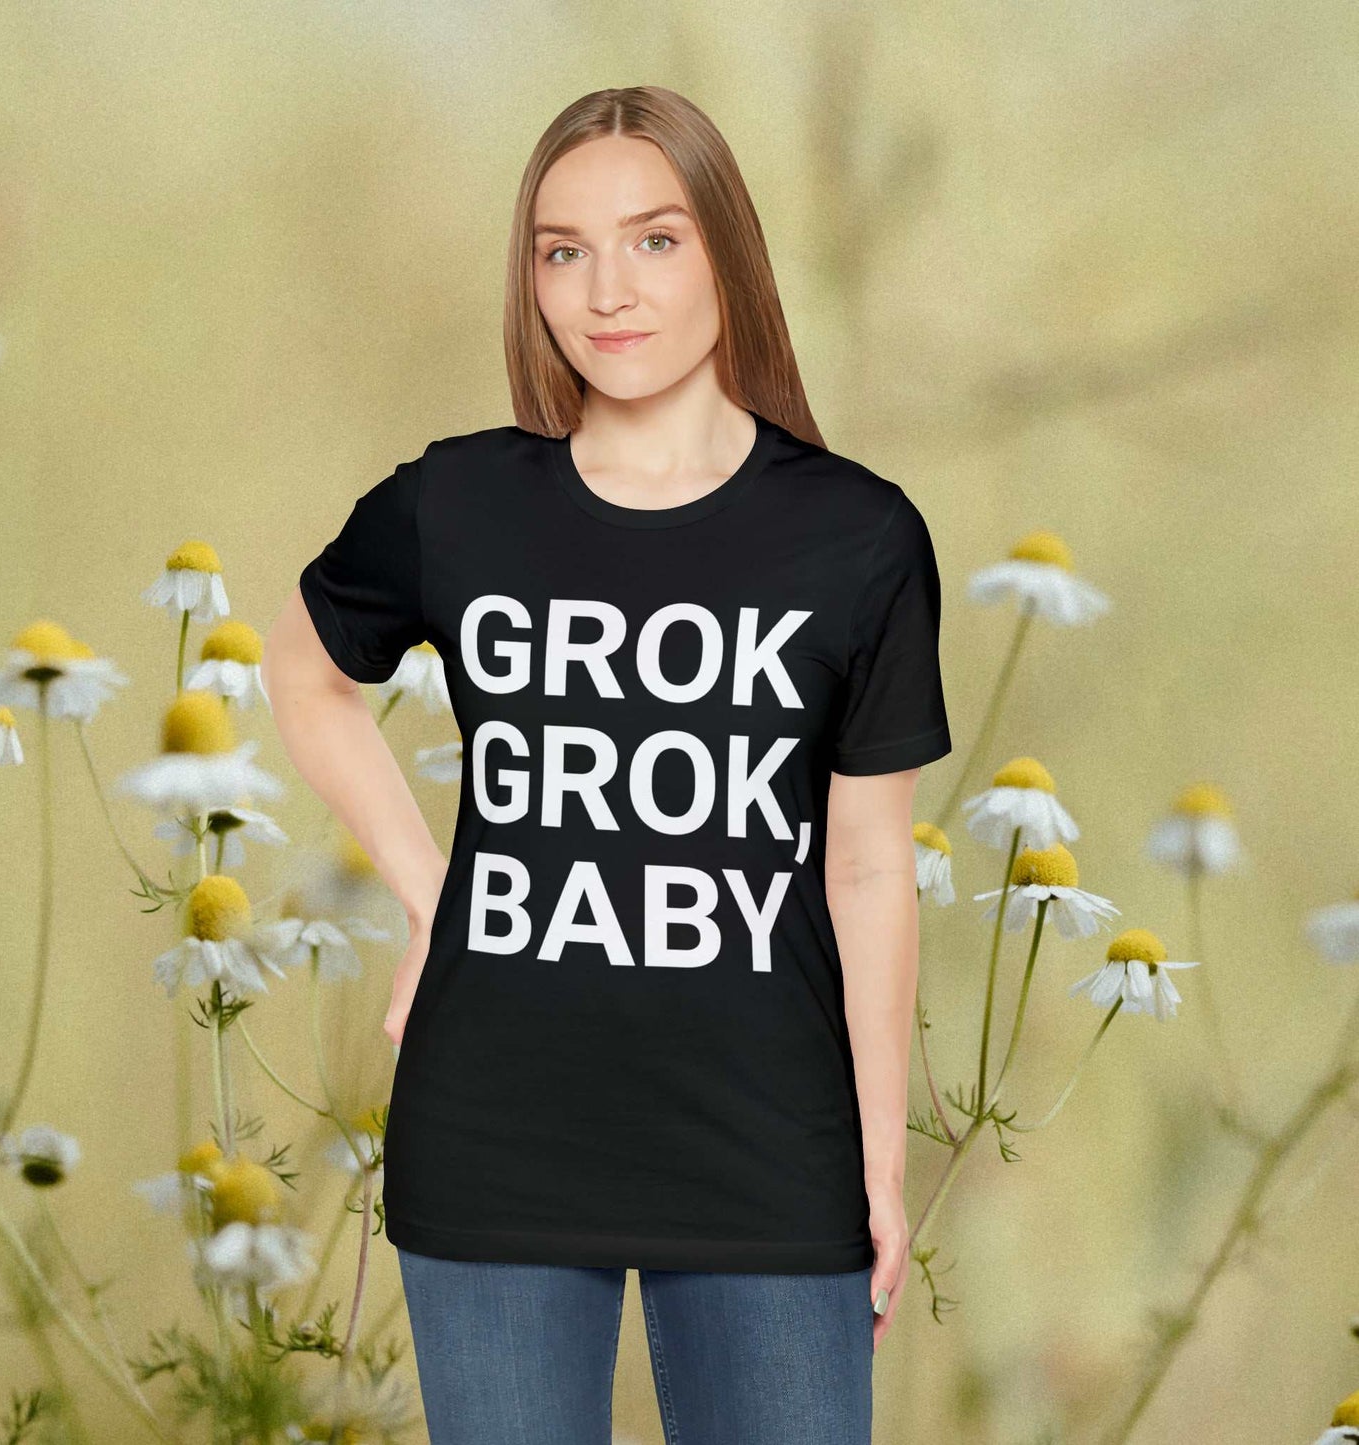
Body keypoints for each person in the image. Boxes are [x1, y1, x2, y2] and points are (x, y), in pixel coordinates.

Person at [264, 84, 952, 1445]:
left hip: (769, 1155)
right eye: (560, 249)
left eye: (653, 239)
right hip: (495, 1140)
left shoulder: (859, 539)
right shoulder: (453, 505)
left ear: (726, 261)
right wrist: (434, 897)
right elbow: (306, 674)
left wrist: (879, 1152)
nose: (603, 291)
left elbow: (868, 864)